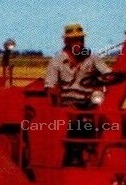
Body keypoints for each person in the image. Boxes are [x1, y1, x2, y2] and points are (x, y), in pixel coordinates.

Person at [45, 23, 122, 165]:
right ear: (66, 42)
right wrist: (56, 99)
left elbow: (107, 73)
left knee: (110, 120)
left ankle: (107, 154)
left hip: (90, 100)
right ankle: (74, 154)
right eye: (75, 40)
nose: (79, 43)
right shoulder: (56, 62)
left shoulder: (92, 58)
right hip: (68, 102)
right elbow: (50, 87)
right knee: (76, 122)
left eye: (81, 40)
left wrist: (113, 76)